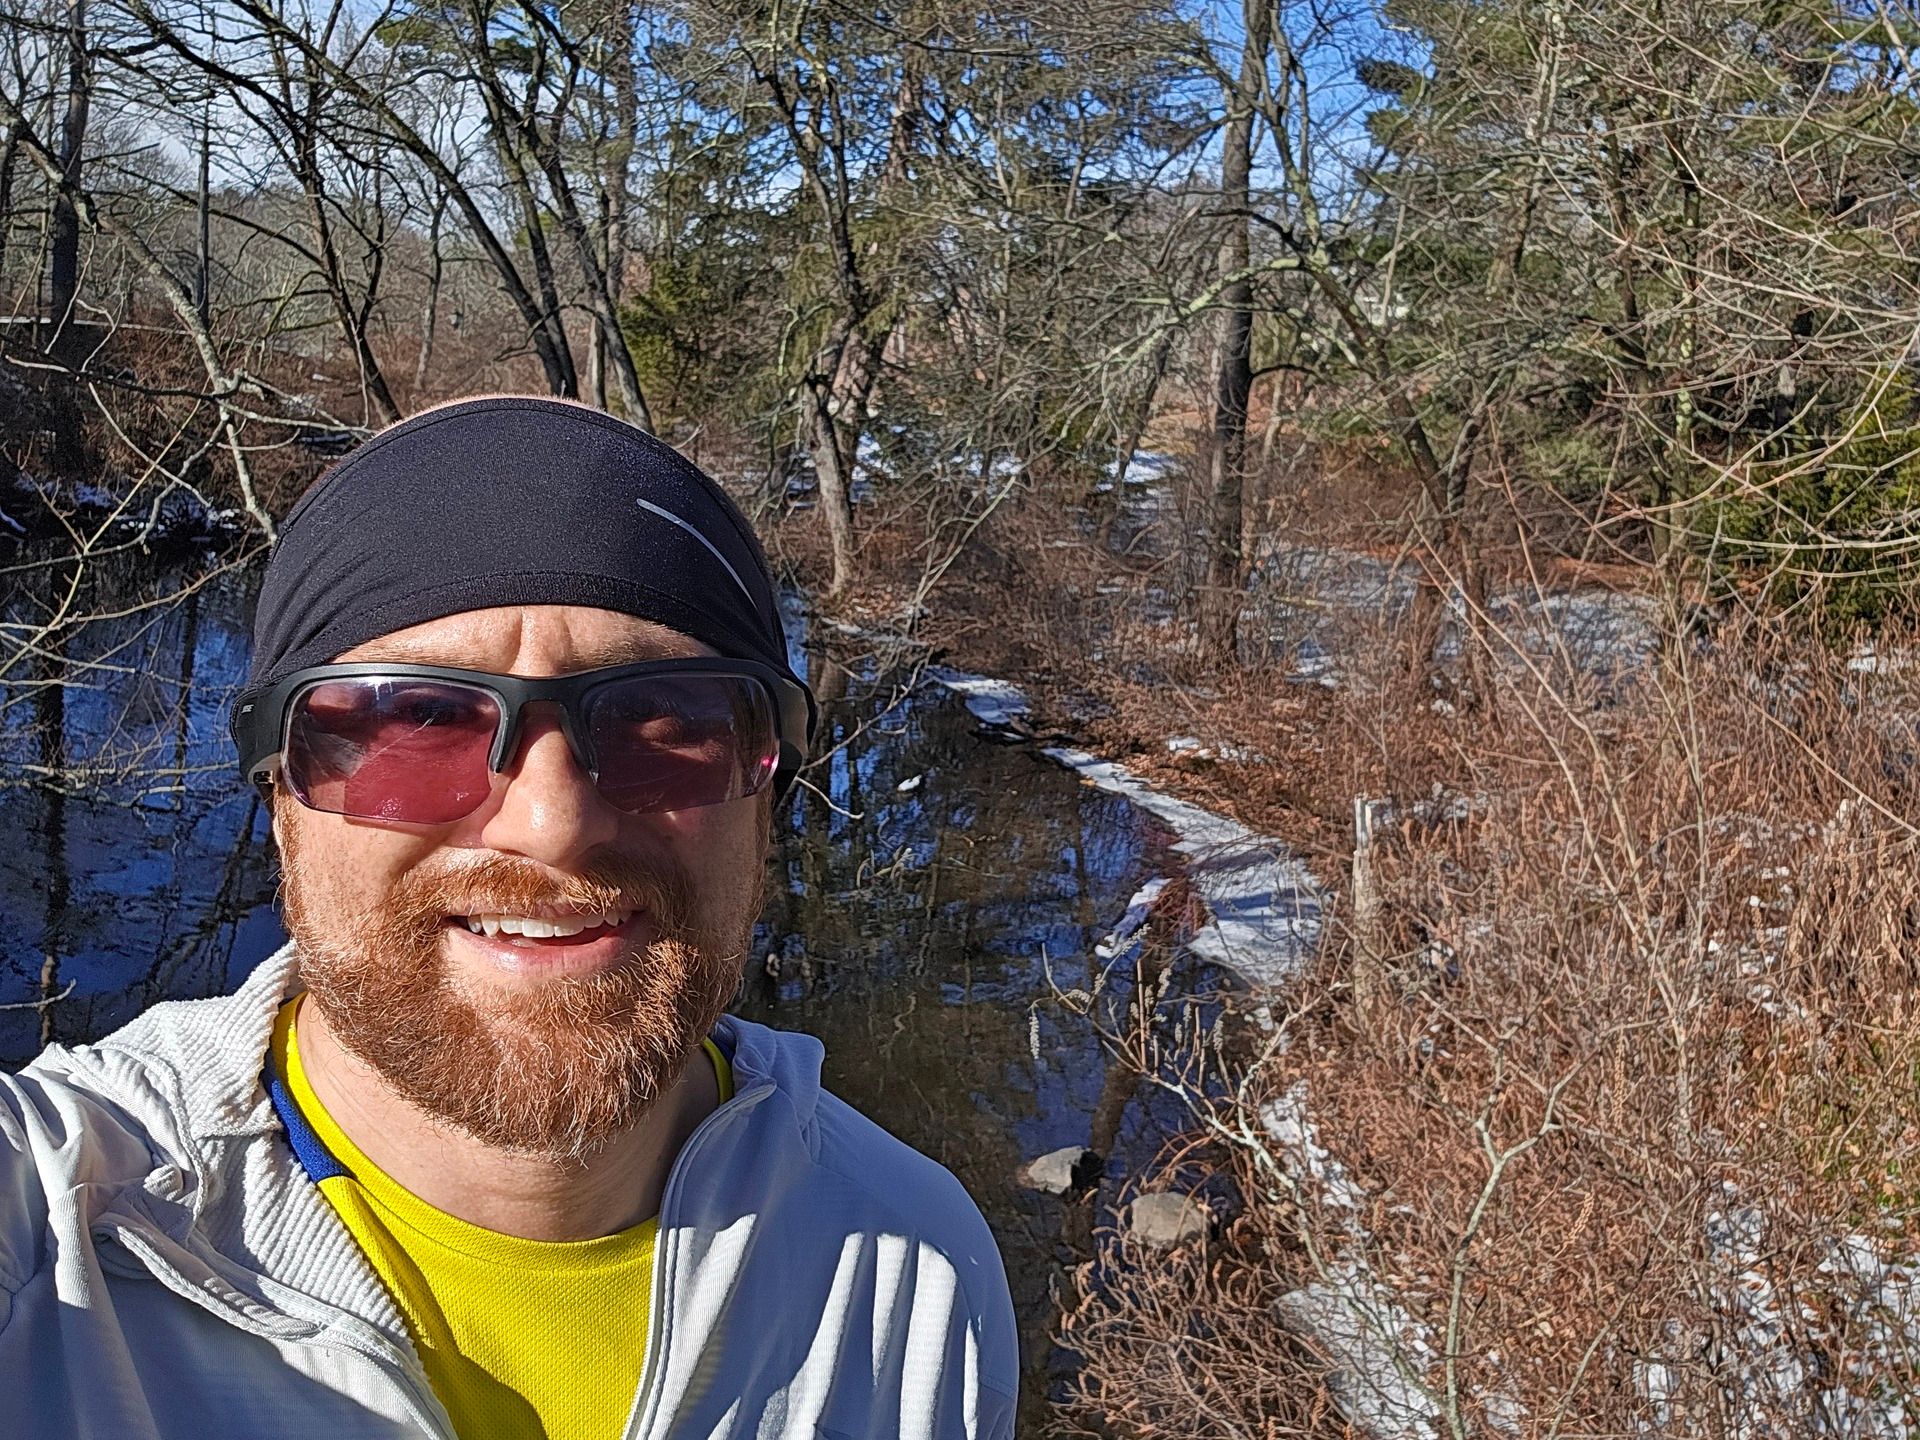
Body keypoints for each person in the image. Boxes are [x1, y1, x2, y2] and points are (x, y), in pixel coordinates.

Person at [0, 396, 1017, 1440]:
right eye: (421, 719)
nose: (552, 823)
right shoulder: (55, 1224)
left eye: (664, 717)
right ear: (281, 798)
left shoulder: (912, 1268)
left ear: (763, 798)